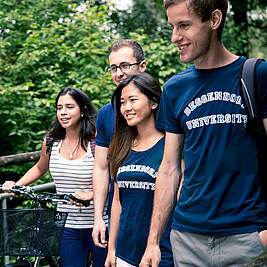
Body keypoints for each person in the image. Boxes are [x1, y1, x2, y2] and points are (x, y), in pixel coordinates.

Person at [140, 0, 267, 266]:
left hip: (248, 237)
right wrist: (153, 241)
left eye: (184, 25)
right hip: (187, 239)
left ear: (214, 20)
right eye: (172, 27)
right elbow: (169, 167)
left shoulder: (256, 75)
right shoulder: (175, 88)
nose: (175, 37)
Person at [3, 87, 108, 267]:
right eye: (59, 108)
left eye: (69, 107)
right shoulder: (52, 140)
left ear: (82, 110)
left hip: (99, 223)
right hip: (66, 225)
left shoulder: (96, 140)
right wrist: (16, 185)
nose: (63, 113)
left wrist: (91, 194)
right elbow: (39, 168)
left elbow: (111, 176)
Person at [105, 72, 173, 267]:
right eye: (122, 102)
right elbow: (117, 202)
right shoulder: (121, 146)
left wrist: (156, 245)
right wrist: (111, 250)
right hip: (125, 253)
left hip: (160, 252)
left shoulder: (170, 146)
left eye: (133, 100)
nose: (126, 108)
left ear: (153, 102)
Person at [92, 40, 147, 248]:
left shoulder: (163, 104)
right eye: (114, 68)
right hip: (120, 213)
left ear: (142, 66)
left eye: (125, 65)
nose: (119, 73)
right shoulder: (107, 113)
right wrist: (99, 217)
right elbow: (100, 167)